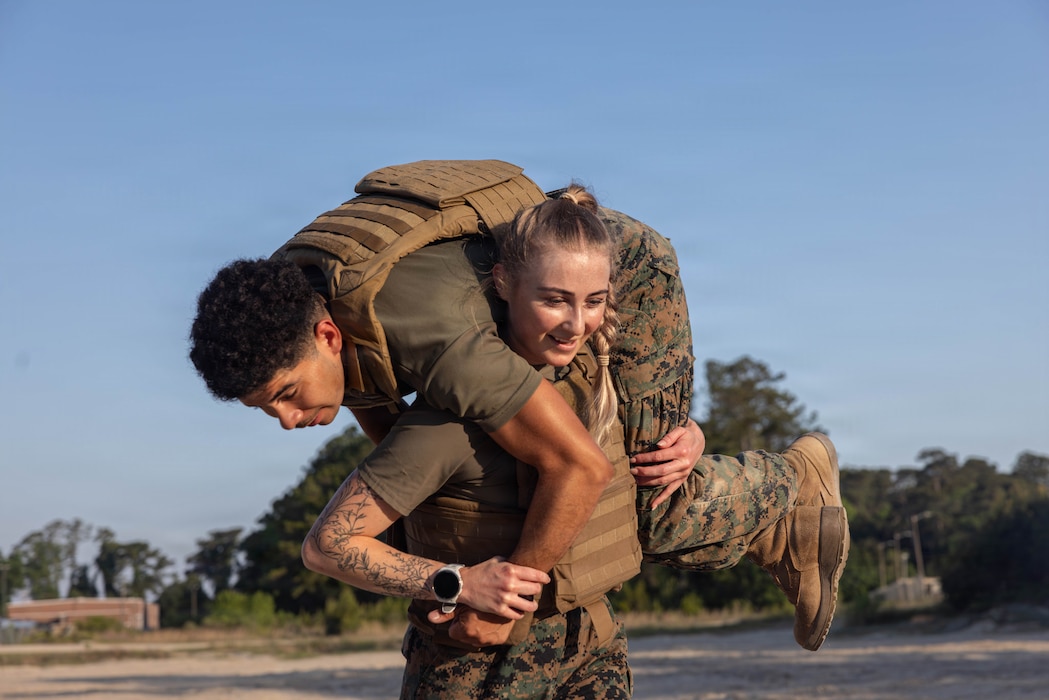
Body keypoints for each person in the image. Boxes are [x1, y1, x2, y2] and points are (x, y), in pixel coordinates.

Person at [189, 160, 848, 652]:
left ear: (327, 338)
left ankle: (790, 493)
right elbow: (386, 419)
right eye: (264, 409)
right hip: (534, 285)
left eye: (284, 395)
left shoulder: (443, 343)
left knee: (653, 498)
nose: (284, 418)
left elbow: (579, 466)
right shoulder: (296, 308)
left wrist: (501, 604)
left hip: (610, 272)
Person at [300, 187, 638, 697]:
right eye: (553, 300)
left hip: (592, 648)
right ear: (502, 283)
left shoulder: (592, 371)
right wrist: (467, 586)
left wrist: (688, 439)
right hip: (477, 670)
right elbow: (330, 544)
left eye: (594, 301)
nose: (576, 324)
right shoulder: (449, 418)